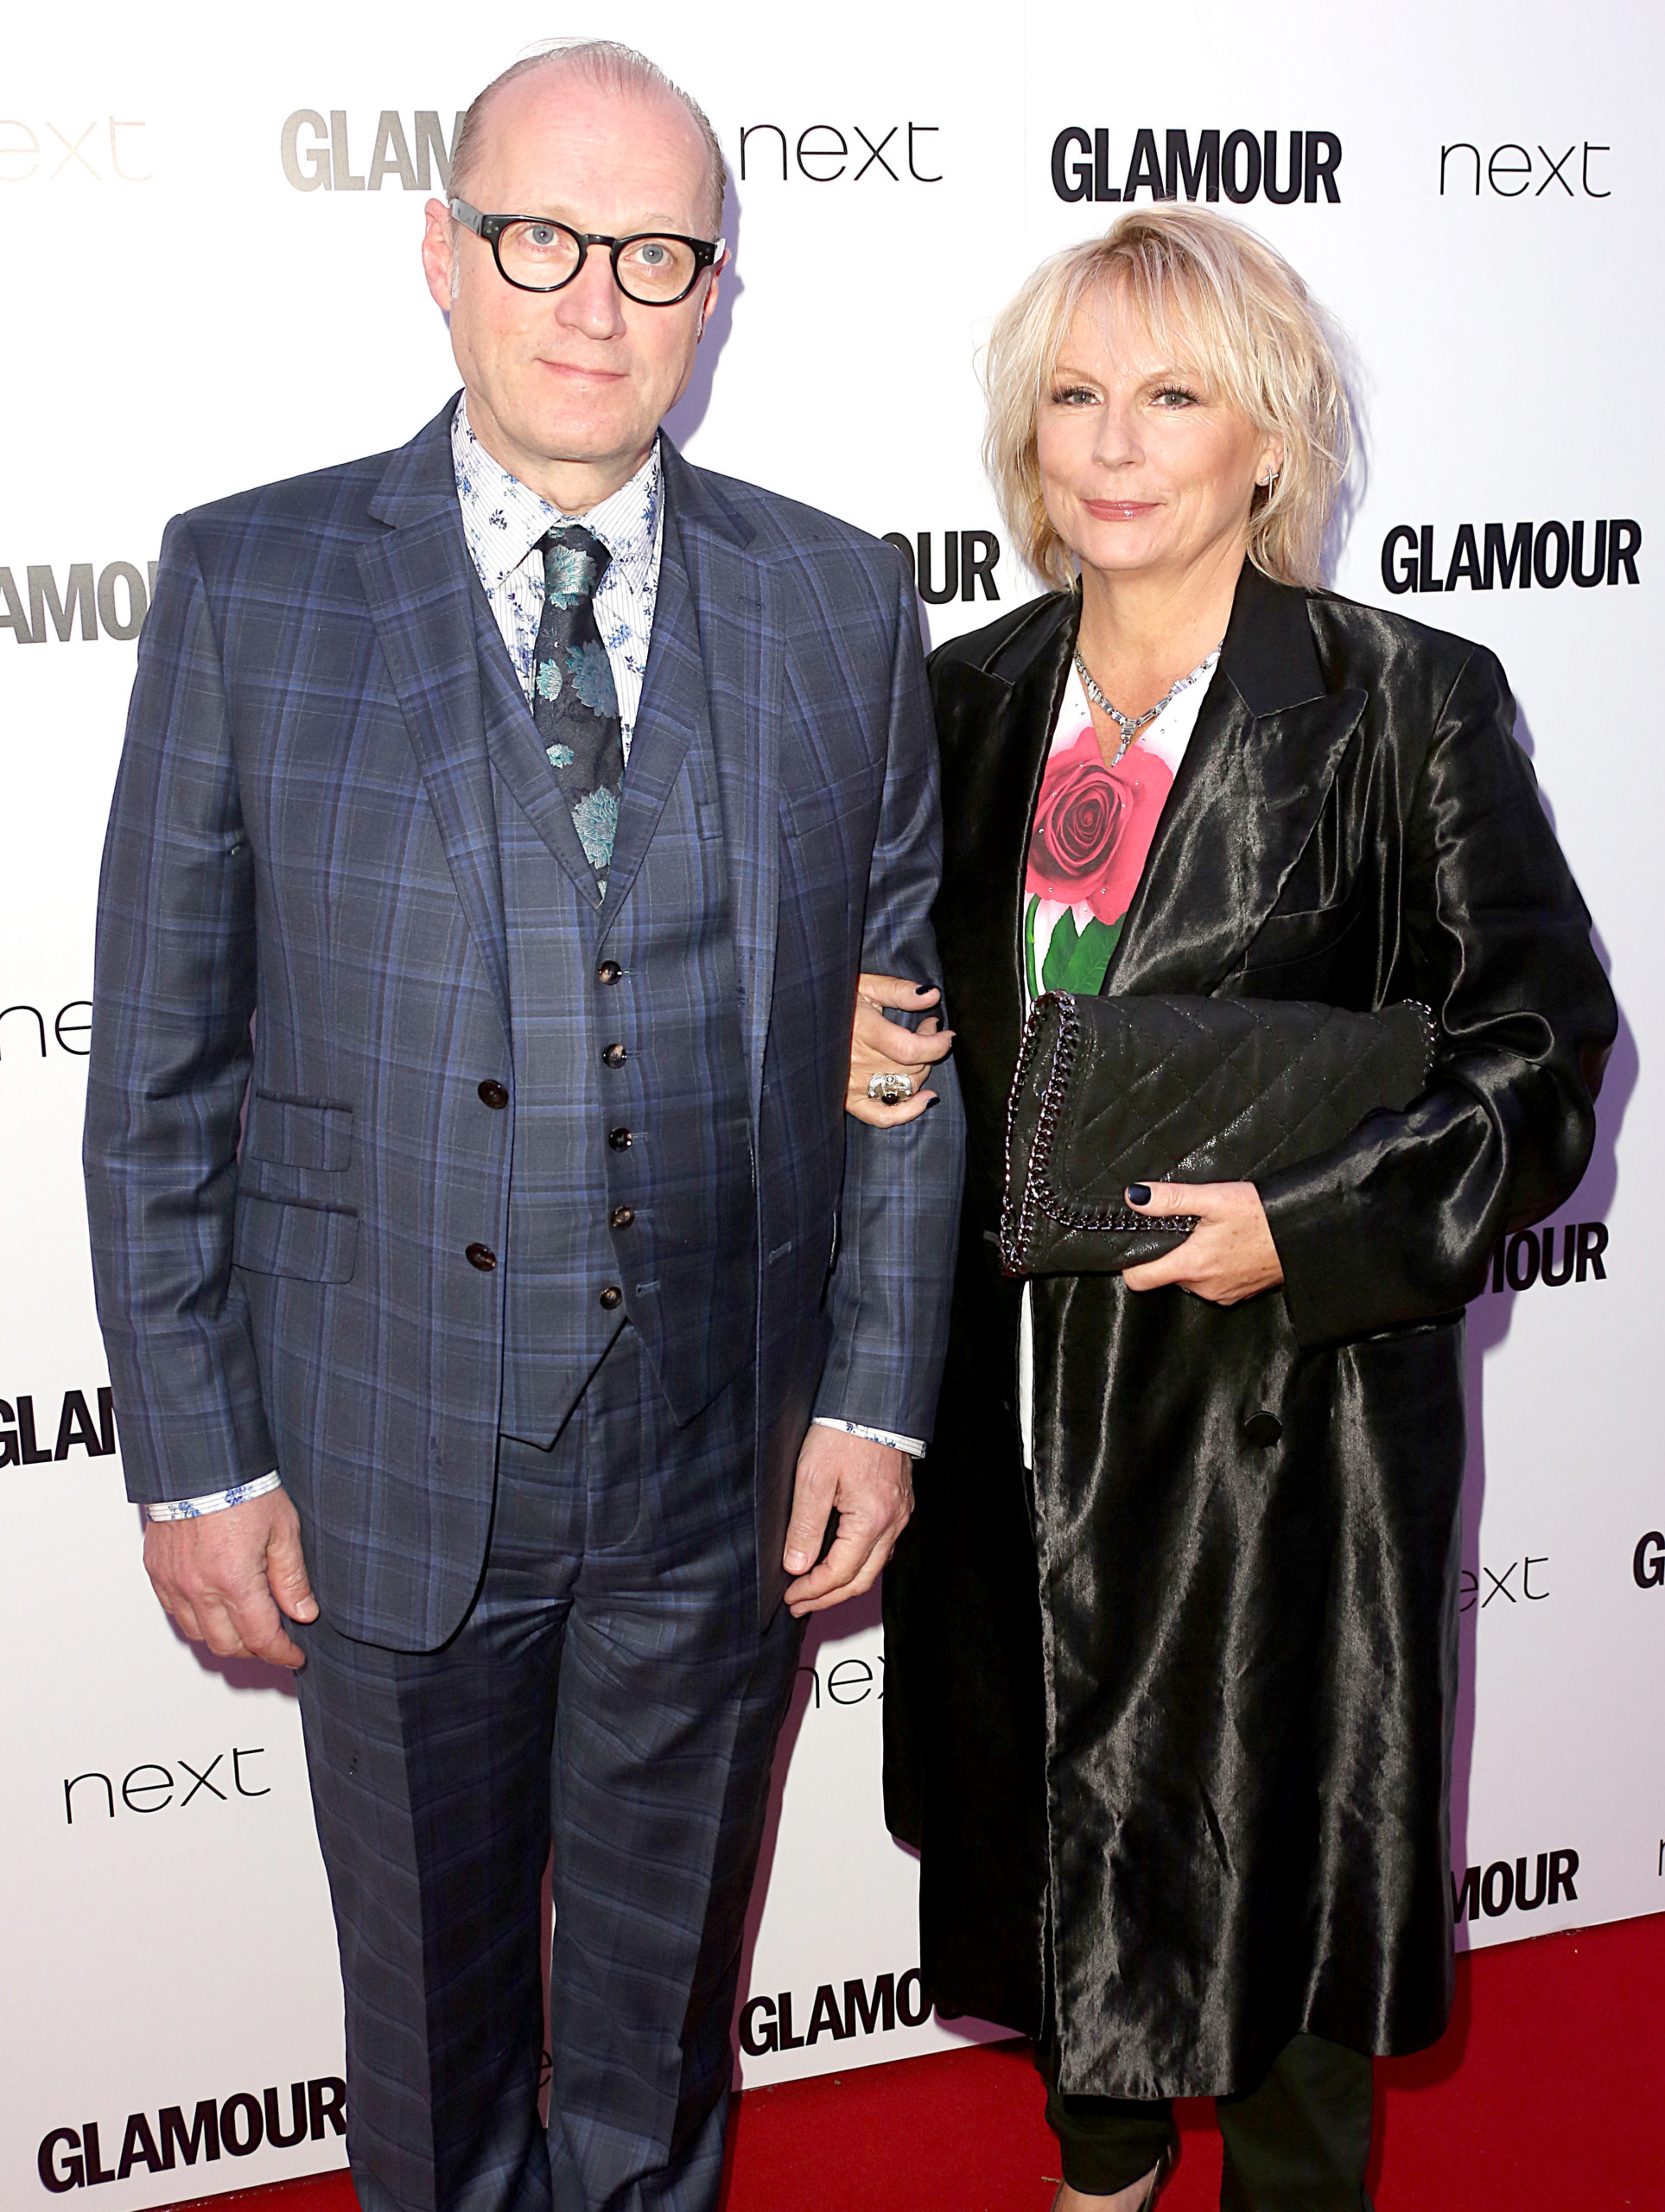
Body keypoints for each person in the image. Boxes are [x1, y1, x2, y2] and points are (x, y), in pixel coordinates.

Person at [83, 40, 963, 2212]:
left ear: (714, 290)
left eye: (655, 252)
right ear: (443, 258)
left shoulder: (838, 599)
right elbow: (162, 1068)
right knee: (432, 2044)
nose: (595, 300)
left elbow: (906, 1042)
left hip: (712, 1469)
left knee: (659, 2049)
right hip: (382, 1461)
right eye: (540, 240)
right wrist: (196, 1445)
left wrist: (875, 1395)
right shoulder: (250, 583)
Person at [854, 207, 1615, 2210]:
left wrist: (1318, 1217)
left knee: (1281, 1918)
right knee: (1050, 1874)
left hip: (1278, 1443)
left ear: (1263, 439)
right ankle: (1090, 2173)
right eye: (1077, 396)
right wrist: (847, 1044)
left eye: (1171, 393)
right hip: (1012, 1409)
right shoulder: (955, 699)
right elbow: (894, 1016)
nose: (1114, 442)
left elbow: (1540, 1046)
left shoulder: (1402, 700)